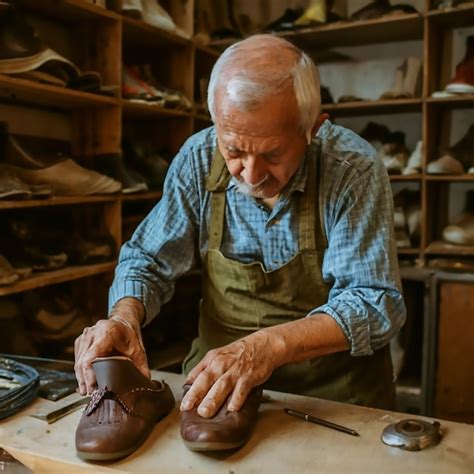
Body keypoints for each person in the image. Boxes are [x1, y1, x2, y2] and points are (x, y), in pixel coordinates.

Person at [74, 34, 406, 419]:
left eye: (273, 154)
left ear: (312, 129)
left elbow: (374, 301)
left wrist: (266, 348)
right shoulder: (199, 157)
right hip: (218, 385)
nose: (251, 174)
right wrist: (124, 316)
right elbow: (148, 259)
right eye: (233, 150)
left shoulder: (352, 170)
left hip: (336, 395)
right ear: (217, 123)